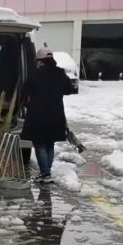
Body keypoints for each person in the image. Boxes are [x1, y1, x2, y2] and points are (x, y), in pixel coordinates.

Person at [20, 48, 72, 183]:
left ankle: (45, 174)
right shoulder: (60, 73)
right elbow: (69, 89)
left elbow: (24, 90)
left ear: (40, 61)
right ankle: (46, 172)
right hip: (56, 113)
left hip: (38, 114)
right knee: (49, 143)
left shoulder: (35, 75)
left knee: (40, 144)